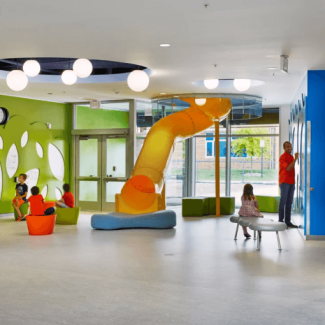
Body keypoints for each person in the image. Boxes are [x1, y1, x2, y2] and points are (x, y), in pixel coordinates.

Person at [279, 141, 299, 228]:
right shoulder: (283, 157)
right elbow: (288, 168)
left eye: (290, 146)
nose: (289, 148)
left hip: (292, 182)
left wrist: (294, 158)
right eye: (287, 146)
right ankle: (280, 222)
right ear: (284, 148)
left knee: (289, 202)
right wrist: (295, 159)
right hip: (284, 182)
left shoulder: (291, 157)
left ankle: (287, 222)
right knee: (283, 202)